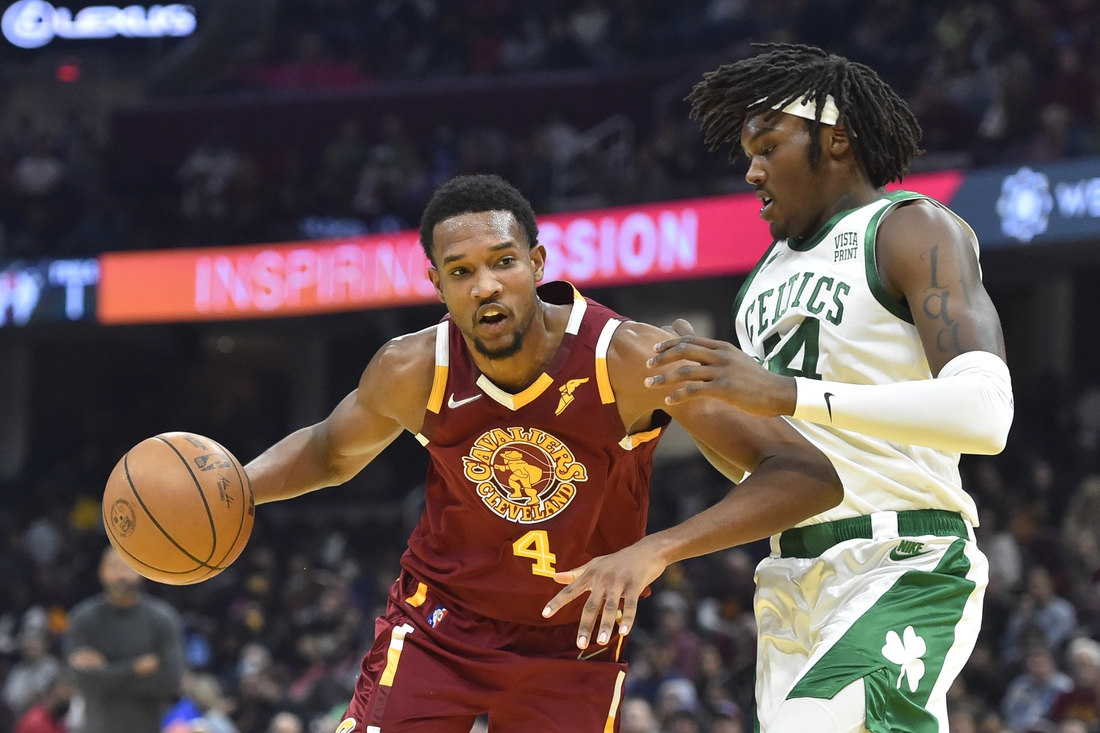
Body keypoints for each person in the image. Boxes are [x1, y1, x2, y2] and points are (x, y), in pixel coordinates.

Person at [243, 173, 842, 732]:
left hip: (575, 640)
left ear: (536, 263)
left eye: (503, 262)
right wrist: (235, 492)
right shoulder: (412, 367)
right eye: (461, 271)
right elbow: (327, 451)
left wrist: (657, 550)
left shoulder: (629, 358)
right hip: (440, 627)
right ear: (437, 285)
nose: (486, 286)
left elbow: (805, 473)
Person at [543, 44, 1015, 733]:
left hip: (902, 559)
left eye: (767, 145)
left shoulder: (911, 227)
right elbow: (765, 462)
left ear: (837, 139)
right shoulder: (760, 283)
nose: (752, 169)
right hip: (790, 580)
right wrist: (695, 401)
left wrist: (785, 392)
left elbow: (987, 413)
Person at [65, 547, 185, 733]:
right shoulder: (82, 618)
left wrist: (104, 672)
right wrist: (135, 668)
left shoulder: (163, 619)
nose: (121, 574)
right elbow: (78, 680)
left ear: (141, 571)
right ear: (102, 571)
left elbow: (170, 682)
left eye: (128, 566)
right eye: (114, 566)